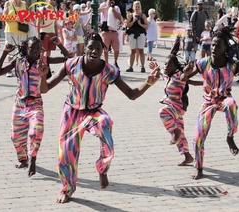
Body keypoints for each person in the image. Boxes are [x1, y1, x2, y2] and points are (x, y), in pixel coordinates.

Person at [38, 32, 160, 203]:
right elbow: (45, 89)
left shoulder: (109, 71)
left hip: (94, 112)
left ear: (103, 49)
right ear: (84, 49)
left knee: (105, 123)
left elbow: (131, 94)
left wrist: (148, 83)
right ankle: (67, 189)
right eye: (91, 48)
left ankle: (102, 168)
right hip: (71, 112)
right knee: (65, 155)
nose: (94, 51)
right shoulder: (71, 64)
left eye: (98, 48)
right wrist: (43, 77)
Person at [186, 27, 239, 180]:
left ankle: (230, 136)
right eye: (212, 45)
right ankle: (199, 167)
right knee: (198, 136)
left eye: (217, 46)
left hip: (224, 98)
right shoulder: (203, 63)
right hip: (208, 101)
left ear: (225, 48)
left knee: (231, 104)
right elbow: (186, 77)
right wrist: (185, 74)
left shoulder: (232, 65)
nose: (213, 48)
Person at [0, 36, 70, 178]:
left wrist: (60, 45)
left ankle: (33, 158)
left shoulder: (44, 61)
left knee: (36, 131)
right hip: (20, 104)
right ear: (25, 49)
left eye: (37, 49)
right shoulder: (18, 63)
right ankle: (23, 159)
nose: (35, 51)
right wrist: (4, 53)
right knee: (15, 137)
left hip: (36, 104)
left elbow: (68, 59)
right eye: (32, 48)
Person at [149, 36, 200, 166]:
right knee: (180, 133)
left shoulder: (178, 76)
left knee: (163, 112)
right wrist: (155, 68)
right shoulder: (166, 75)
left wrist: (188, 72)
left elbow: (185, 76)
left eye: (169, 65)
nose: (166, 66)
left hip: (177, 107)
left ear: (175, 67)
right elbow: (160, 72)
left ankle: (175, 132)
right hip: (172, 107)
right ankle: (187, 156)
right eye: (165, 64)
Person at [3, 0, 27, 77]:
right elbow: (4, 18)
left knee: (21, 50)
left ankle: (20, 69)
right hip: (10, 30)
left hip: (22, 30)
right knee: (10, 50)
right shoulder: (8, 3)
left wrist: (24, 18)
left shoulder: (24, 4)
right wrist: (15, 19)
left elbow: (29, 16)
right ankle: (9, 70)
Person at [126, 1, 149, 73]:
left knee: (141, 50)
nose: (137, 8)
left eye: (138, 7)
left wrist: (140, 24)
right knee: (132, 50)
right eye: (136, 6)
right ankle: (131, 66)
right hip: (132, 34)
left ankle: (142, 67)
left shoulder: (143, 15)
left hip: (141, 34)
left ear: (140, 7)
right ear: (133, 7)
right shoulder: (130, 15)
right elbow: (128, 25)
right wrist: (133, 21)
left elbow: (147, 26)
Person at [99, 0, 122, 68]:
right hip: (105, 30)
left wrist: (113, 9)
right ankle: (106, 63)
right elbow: (97, 11)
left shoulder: (116, 7)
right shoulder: (103, 5)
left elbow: (119, 17)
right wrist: (106, 7)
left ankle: (115, 62)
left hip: (114, 30)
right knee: (105, 49)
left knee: (116, 49)